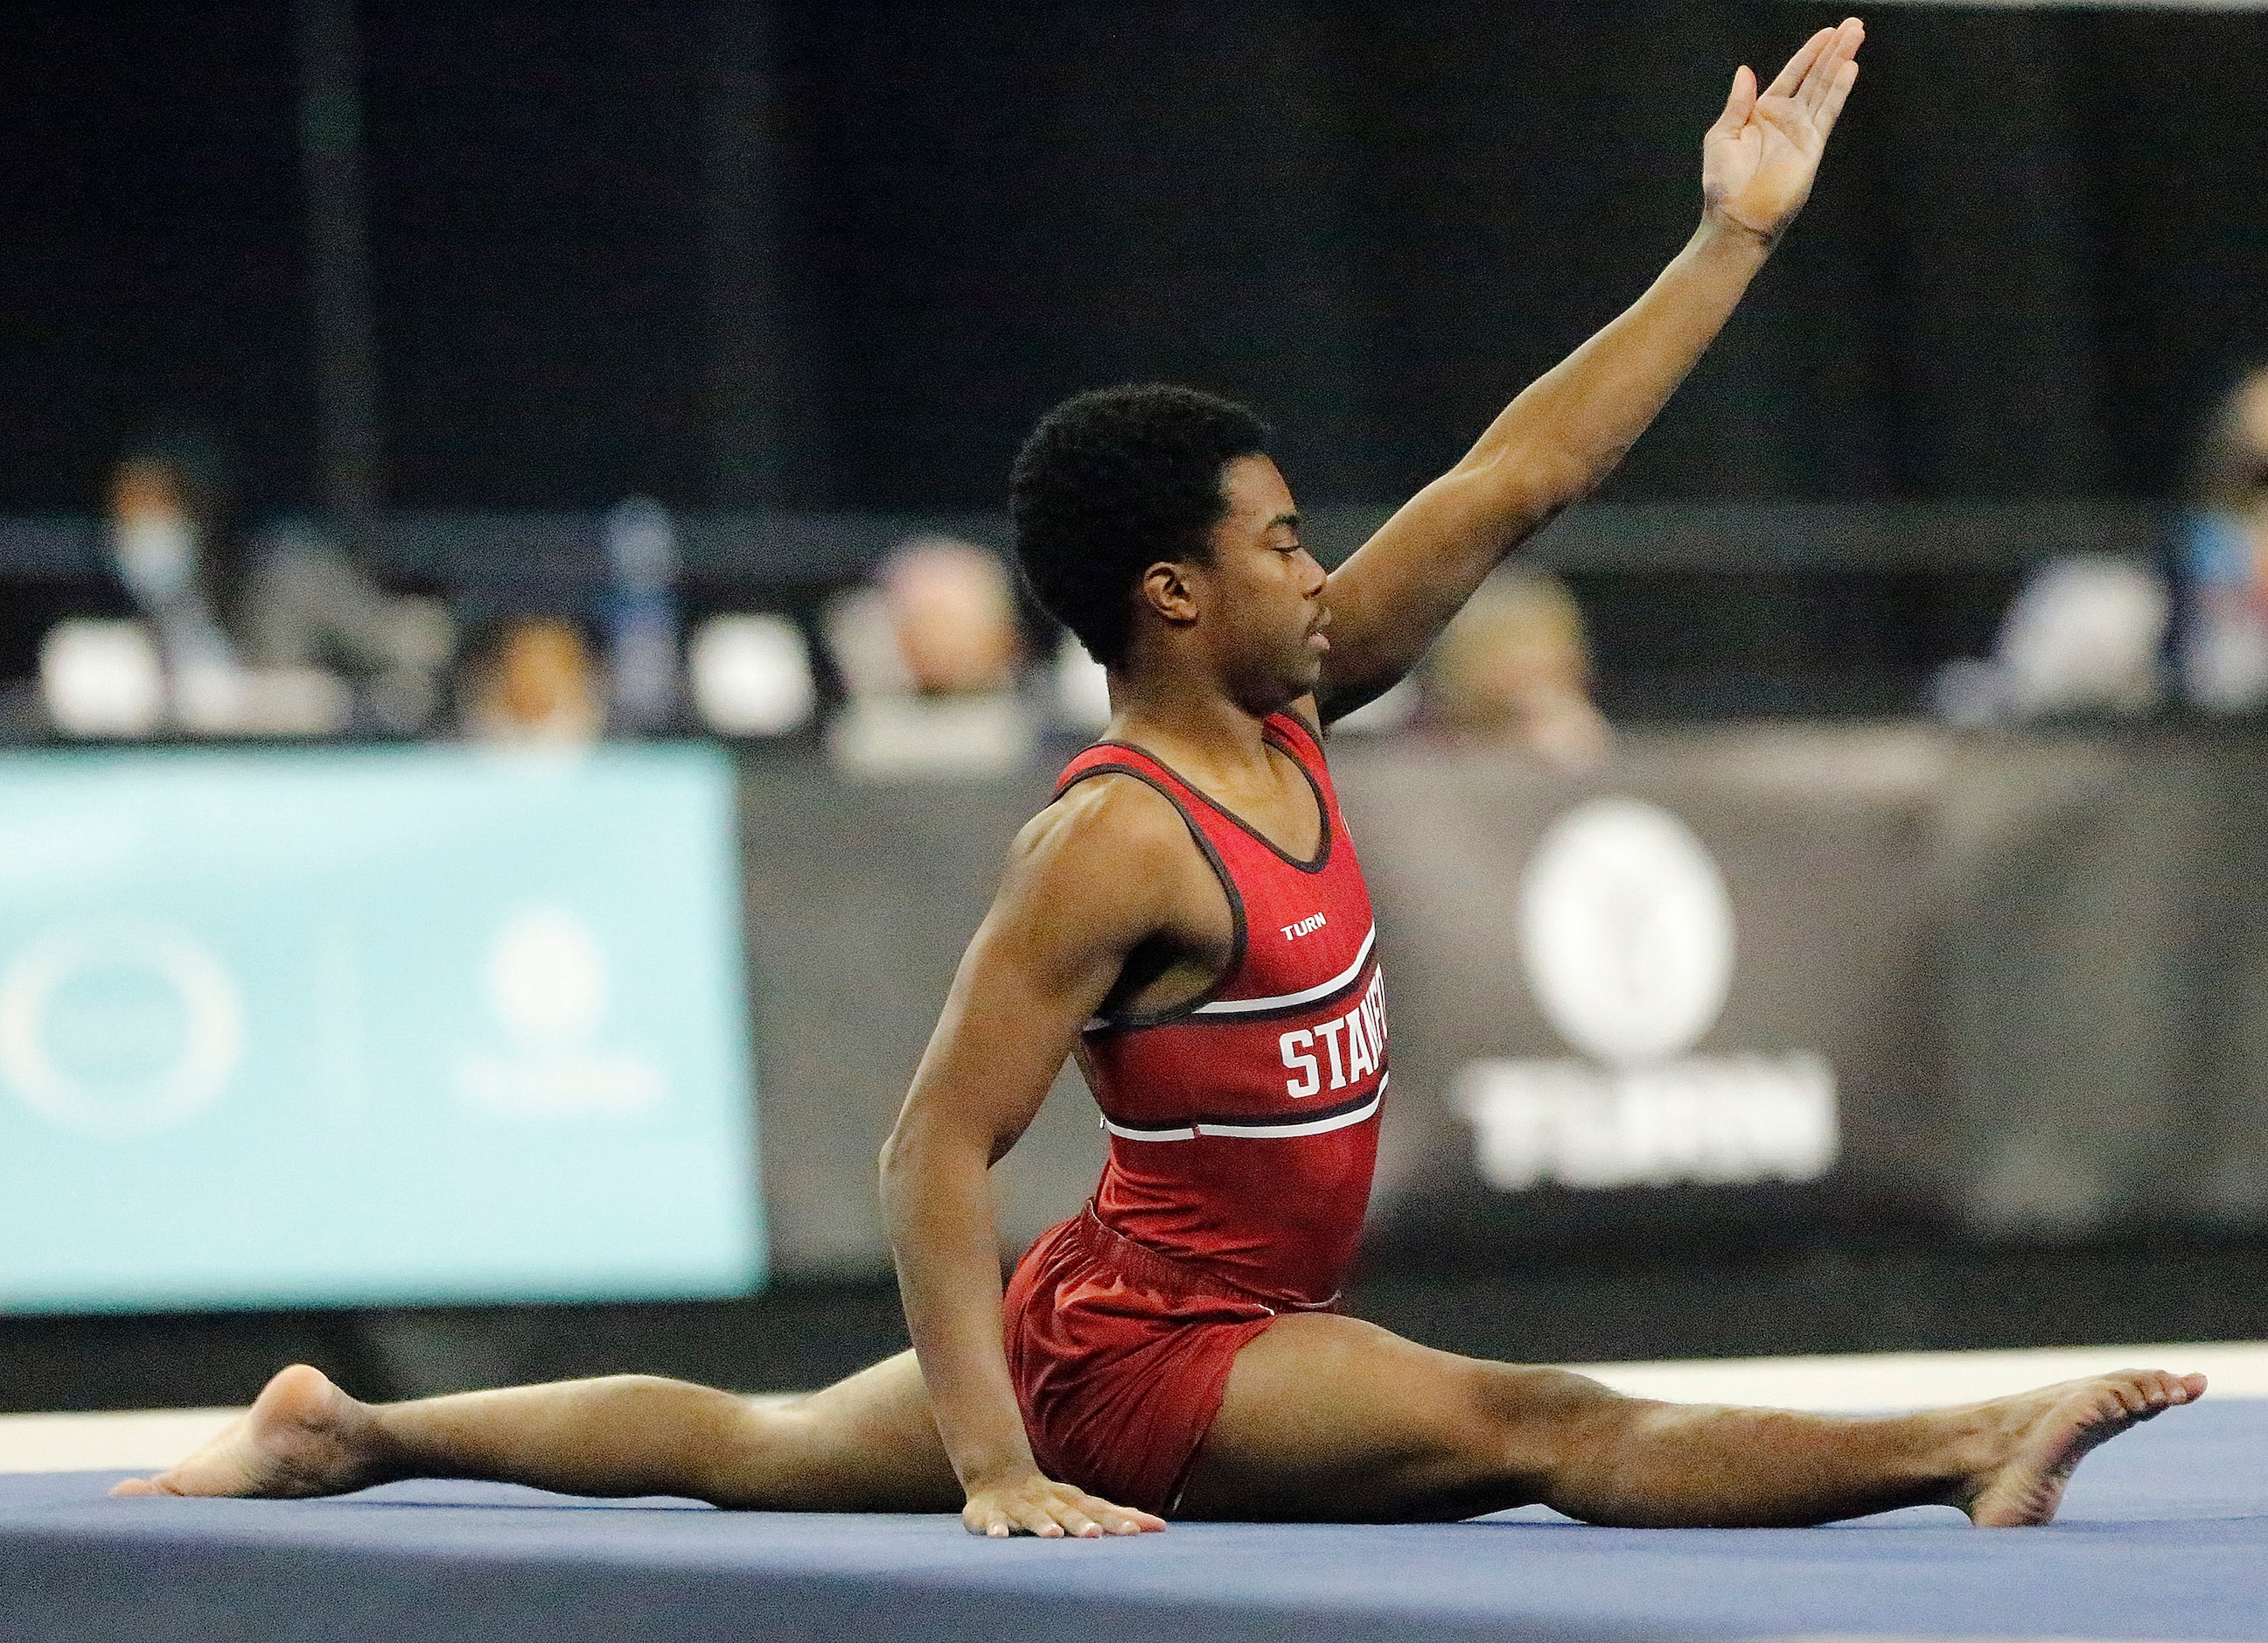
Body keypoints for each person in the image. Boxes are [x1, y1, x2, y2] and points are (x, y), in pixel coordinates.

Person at [115, 19, 2204, 1536]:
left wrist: (1731, 241)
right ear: (1170, 593)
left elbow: (1525, 471)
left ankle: (350, 1435)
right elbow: (932, 1150)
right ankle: (1960, 1443)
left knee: (753, 1450)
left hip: (1118, 1303)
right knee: (1540, 1426)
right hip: (1150, 1354)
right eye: (1281, 537)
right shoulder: (1116, 839)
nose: (1323, 563)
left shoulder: (1299, 696)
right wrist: (1001, 1467)